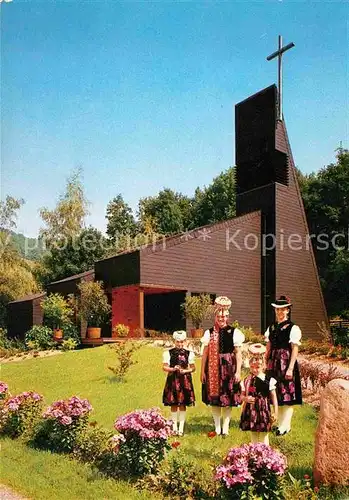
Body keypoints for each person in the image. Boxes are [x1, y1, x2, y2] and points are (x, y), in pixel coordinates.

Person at [200, 296, 245, 437]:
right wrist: (202, 371)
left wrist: (238, 371)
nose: (221, 319)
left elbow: (238, 353)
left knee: (227, 399)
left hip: (228, 368)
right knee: (215, 400)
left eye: (224, 316)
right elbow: (205, 354)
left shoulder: (234, 332)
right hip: (212, 369)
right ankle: (217, 427)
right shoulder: (209, 333)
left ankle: (225, 428)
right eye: (219, 316)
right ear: (215, 317)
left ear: (227, 317)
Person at [265, 295, 302, 435]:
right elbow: (268, 347)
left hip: (285, 362)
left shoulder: (293, 328)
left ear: (287, 311)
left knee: (287, 396)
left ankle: (285, 426)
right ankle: (280, 424)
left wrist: (290, 368)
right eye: (277, 310)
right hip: (273, 363)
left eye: (282, 310)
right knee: (276, 394)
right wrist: (264, 362)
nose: (280, 313)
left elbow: (295, 349)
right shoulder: (271, 327)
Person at [240, 343, 278, 445]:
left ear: (263, 366)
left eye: (257, 367)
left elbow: (274, 397)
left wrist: (275, 412)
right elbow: (241, 396)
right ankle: (254, 453)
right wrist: (245, 399)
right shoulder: (247, 380)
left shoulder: (269, 380)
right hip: (251, 410)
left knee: (264, 433)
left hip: (263, 409)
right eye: (252, 367)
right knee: (253, 433)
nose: (254, 369)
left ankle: (265, 454)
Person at [162, 330, 195, 436]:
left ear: (185, 341)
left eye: (182, 342)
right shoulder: (168, 353)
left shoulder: (189, 353)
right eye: (177, 342)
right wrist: (173, 369)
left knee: (182, 403)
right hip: (173, 379)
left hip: (184, 380)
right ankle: (174, 427)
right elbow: (164, 366)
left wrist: (185, 371)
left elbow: (193, 368)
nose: (180, 344)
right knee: (174, 403)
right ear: (174, 341)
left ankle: (181, 428)